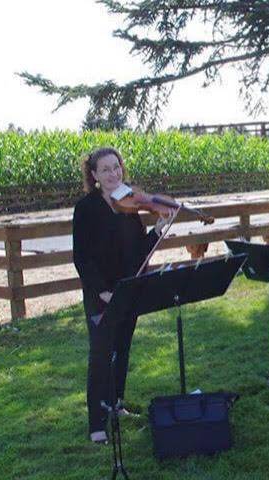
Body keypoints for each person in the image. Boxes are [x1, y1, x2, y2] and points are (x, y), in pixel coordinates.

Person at [72, 147, 171, 444]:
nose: (114, 174)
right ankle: (96, 422)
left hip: (128, 289)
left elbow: (140, 249)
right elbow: (82, 257)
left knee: (123, 348)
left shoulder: (128, 205)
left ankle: (115, 403)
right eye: (105, 170)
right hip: (101, 293)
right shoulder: (86, 208)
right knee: (101, 354)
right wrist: (102, 291)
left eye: (117, 167)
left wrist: (158, 230)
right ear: (94, 175)